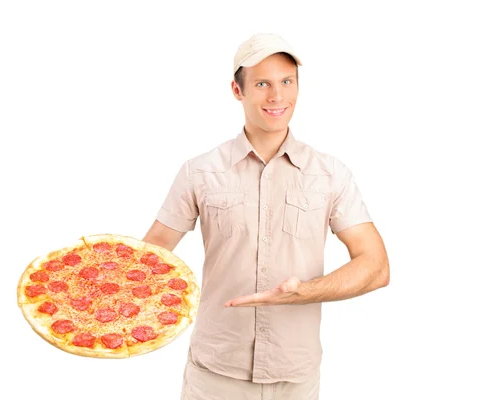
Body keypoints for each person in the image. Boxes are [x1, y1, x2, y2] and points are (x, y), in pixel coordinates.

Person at [142, 33, 390, 400]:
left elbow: (376, 266)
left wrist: (304, 293)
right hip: (215, 373)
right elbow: (151, 255)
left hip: (295, 376)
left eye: (286, 82)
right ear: (237, 91)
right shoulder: (200, 172)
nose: (277, 97)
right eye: (262, 84)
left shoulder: (330, 173)